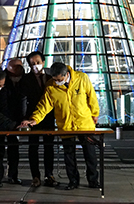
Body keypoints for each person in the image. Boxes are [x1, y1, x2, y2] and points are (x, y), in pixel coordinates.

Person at [20, 62, 100, 190]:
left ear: (66, 74)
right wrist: (34, 119)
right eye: (54, 79)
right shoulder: (51, 86)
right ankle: (73, 181)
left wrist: (95, 113)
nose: (57, 82)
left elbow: (92, 97)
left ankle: (93, 180)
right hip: (66, 125)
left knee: (90, 154)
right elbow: (44, 105)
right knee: (69, 156)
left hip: (84, 124)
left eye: (59, 79)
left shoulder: (82, 78)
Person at [20, 51, 58, 187]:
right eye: (32, 64)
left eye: (37, 62)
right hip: (32, 119)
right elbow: (23, 100)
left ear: (43, 62)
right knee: (33, 148)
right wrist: (25, 118)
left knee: (49, 147)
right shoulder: (25, 79)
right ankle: (35, 176)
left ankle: (49, 175)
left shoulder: (51, 77)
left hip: (48, 118)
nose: (35, 65)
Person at [0, 58, 26, 184]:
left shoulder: (23, 80)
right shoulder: (2, 80)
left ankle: (12, 175)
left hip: (15, 121)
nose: (16, 71)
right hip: (0, 120)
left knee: (13, 150)